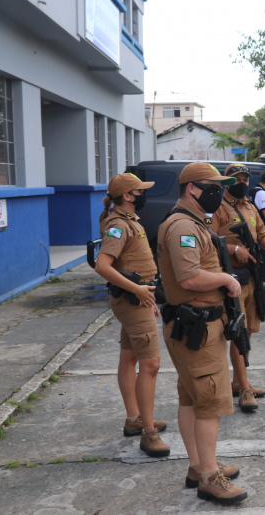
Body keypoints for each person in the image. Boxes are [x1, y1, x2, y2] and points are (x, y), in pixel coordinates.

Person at [157, 162, 247, 504]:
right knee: (210, 400)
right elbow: (189, 277)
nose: (219, 192)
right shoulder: (183, 225)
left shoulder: (193, 222)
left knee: (191, 397)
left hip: (194, 324)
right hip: (196, 326)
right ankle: (210, 477)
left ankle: (199, 466)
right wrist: (226, 279)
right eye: (212, 186)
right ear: (192, 188)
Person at [94, 173, 169, 458]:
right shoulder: (118, 225)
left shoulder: (128, 222)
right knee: (151, 365)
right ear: (128, 195)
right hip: (131, 299)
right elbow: (103, 265)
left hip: (134, 298)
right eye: (140, 191)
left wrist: (142, 292)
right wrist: (138, 290)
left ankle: (134, 418)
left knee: (129, 357)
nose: (143, 194)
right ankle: (148, 433)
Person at [211, 163, 265, 413]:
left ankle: (238, 381)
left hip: (252, 278)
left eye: (244, 178)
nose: (241, 182)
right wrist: (234, 250)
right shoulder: (217, 209)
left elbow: (262, 235)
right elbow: (208, 242)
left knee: (249, 330)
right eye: (236, 178)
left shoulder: (250, 206)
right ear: (226, 182)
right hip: (231, 280)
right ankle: (243, 388)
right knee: (239, 332)